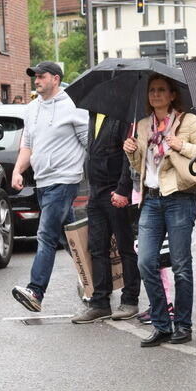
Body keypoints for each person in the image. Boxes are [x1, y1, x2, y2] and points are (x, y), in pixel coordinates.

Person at [123, 75, 196, 346]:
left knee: (181, 266)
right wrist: (131, 151)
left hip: (178, 198)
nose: (155, 94)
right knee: (146, 262)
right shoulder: (142, 125)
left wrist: (180, 145)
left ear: (173, 94)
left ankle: (183, 325)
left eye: (161, 90)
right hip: (150, 200)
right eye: (152, 91)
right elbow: (141, 166)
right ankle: (162, 324)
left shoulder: (187, 121)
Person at [10, 62, 88, 313]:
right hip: (42, 181)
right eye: (35, 77)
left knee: (45, 235)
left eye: (41, 76)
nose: (36, 81)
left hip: (64, 180)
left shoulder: (73, 106)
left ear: (55, 79)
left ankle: (36, 291)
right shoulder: (32, 108)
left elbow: (89, 143)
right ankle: (96, 283)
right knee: (71, 237)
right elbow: (28, 144)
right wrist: (17, 170)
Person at [70, 112, 141, 324]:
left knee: (125, 247)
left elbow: (127, 158)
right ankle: (100, 303)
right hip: (97, 192)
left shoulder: (122, 117)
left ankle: (130, 300)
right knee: (97, 248)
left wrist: (122, 190)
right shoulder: (94, 115)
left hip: (115, 192)